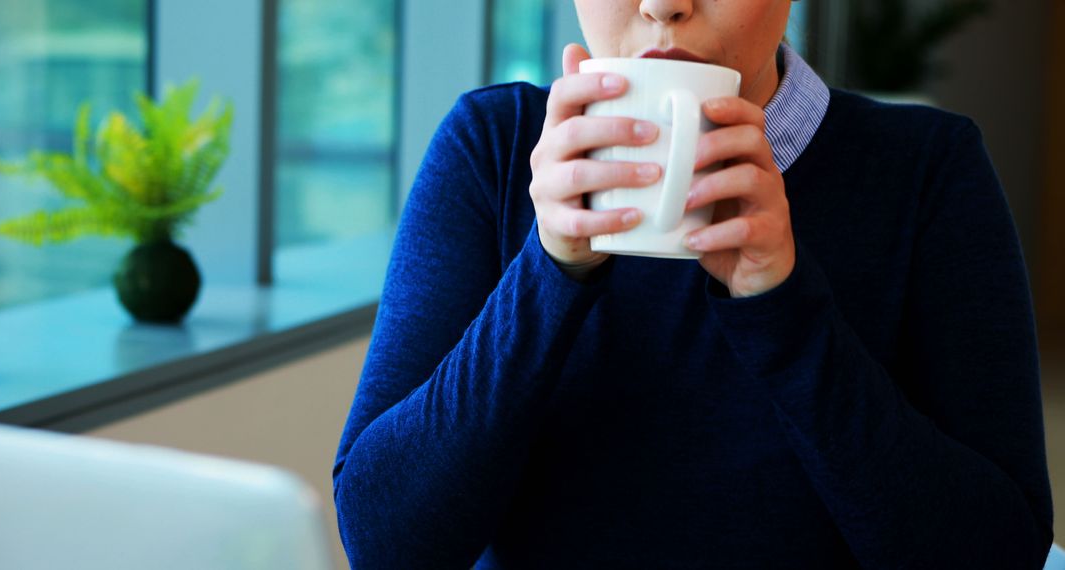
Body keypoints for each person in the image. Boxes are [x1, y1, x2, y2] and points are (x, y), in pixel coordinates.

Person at [332, 0, 1055, 567]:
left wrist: (781, 307)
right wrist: (550, 265)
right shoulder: (492, 148)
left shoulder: (927, 171)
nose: (662, 5)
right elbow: (386, 543)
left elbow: (998, 552)